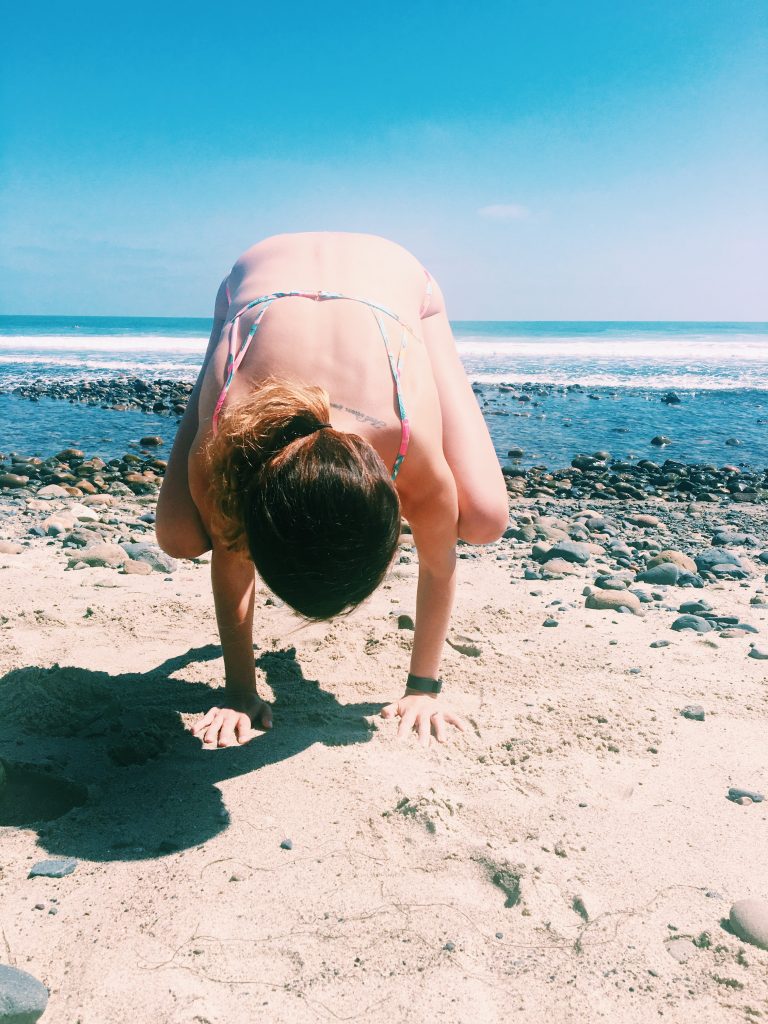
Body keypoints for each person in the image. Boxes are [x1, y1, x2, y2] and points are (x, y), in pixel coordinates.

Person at [155, 232, 508, 748]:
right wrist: (239, 691)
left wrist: (423, 689)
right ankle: (221, 354)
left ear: (394, 510)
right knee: (180, 535)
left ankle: (420, 327)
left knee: (484, 518)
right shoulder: (228, 445)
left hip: (400, 283)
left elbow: (440, 561)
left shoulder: (407, 445)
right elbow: (230, 557)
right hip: (253, 286)